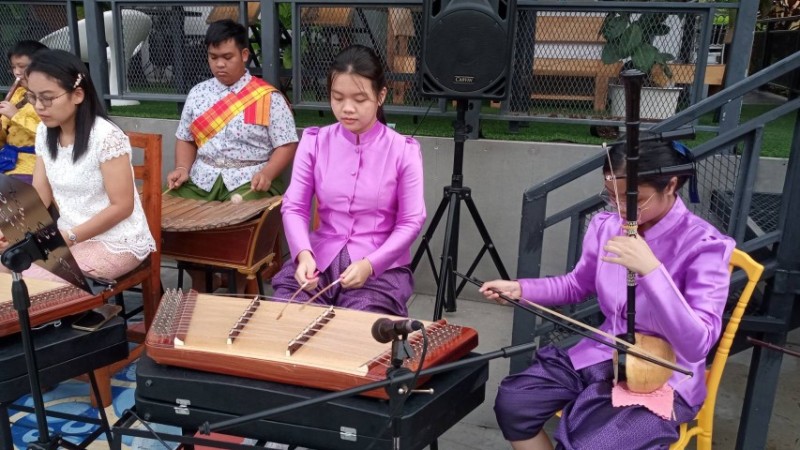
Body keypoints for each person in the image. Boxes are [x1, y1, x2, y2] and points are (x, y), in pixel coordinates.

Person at [479, 139, 735, 450]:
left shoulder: (705, 245)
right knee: (515, 401)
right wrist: (521, 289)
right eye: (611, 197)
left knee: (595, 443)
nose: (620, 209)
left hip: (662, 373)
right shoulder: (606, 226)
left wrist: (652, 271)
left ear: (670, 185)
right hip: (601, 353)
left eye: (634, 199)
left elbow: (698, 345)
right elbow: (577, 285)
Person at [271, 45, 426, 317]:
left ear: (380, 96)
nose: (347, 108)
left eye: (359, 99)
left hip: (381, 268)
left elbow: (411, 220)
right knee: (286, 316)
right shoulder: (315, 142)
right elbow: (294, 206)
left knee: (361, 327)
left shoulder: (403, 150)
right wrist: (302, 255)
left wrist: (371, 264)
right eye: (338, 97)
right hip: (319, 258)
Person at [0, 49, 156, 282]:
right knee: (6, 264)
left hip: (115, 242)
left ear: (78, 94)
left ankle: (67, 314)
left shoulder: (106, 137)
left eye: (48, 98)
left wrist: (68, 237)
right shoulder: (45, 131)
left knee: (26, 277)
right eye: (33, 97)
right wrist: (10, 229)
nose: (39, 106)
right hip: (65, 235)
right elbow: (40, 193)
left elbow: (122, 206)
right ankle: (67, 315)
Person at [166, 19, 298, 201]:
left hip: (249, 181)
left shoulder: (268, 97)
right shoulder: (197, 93)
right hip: (202, 180)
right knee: (166, 205)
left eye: (227, 57)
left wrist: (268, 173)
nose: (220, 64)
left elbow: (286, 144)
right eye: (213, 57)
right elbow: (186, 138)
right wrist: (182, 168)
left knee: (242, 217)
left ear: (244, 55)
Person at [0, 40, 48, 183]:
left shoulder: (50, 96)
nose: (16, 72)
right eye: (13, 67)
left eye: (22, 66)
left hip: (35, 163)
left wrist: (16, 115)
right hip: (7, 159)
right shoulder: (18, 93)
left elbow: (51, 133)